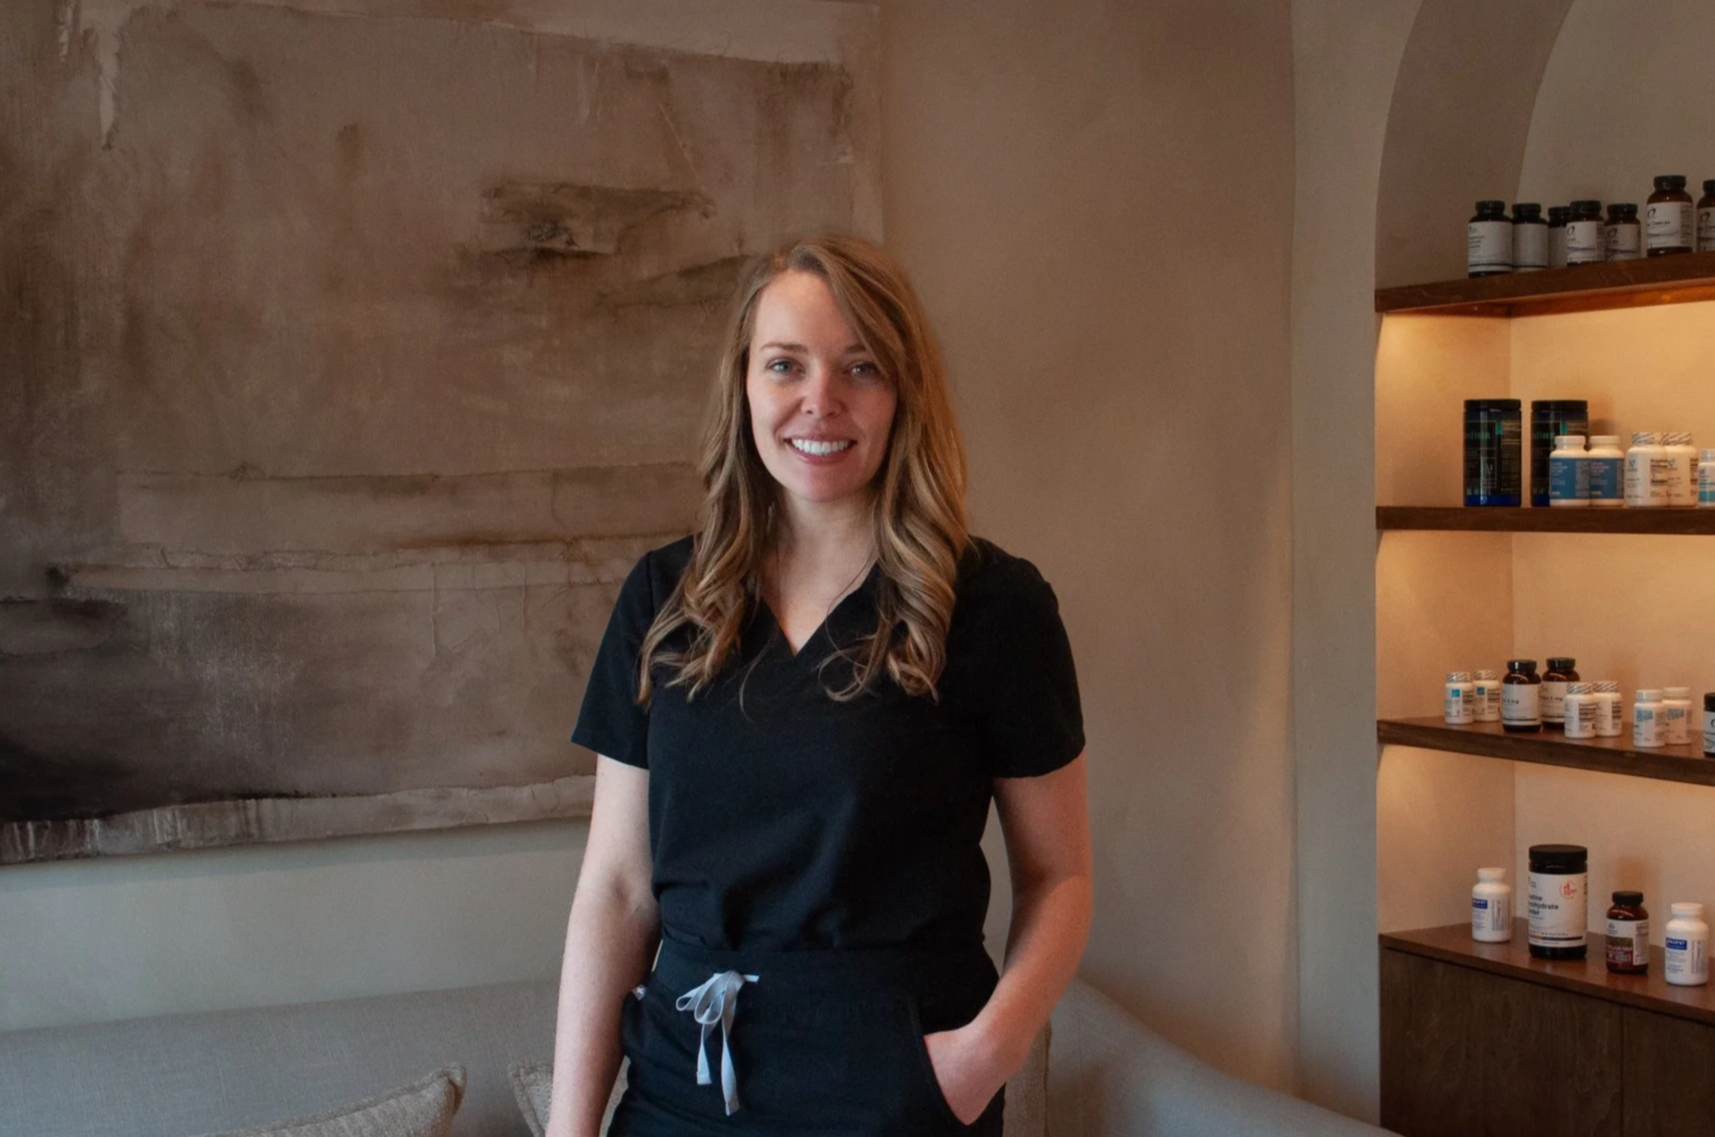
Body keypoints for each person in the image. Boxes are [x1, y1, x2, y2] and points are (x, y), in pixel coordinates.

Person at [545, 233, 1091, 1137]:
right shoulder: (664, 597)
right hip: (685, 1086)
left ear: (902, 392)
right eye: (784, 364)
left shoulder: (994, 606)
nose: (818, 401)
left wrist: (977, 1059)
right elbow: (617, 889)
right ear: (745, 387)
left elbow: (1059, 875)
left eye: (860, 366)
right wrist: (569, 1130)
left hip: (897, 1085)